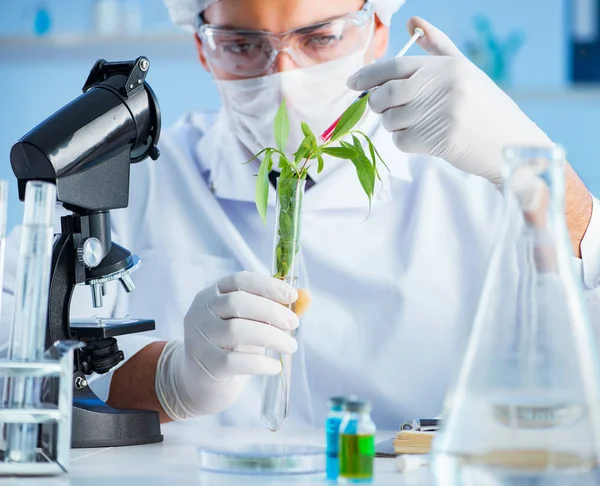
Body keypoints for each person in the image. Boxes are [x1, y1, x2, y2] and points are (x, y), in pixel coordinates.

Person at [2, 0, 599, 430]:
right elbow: (17, 356)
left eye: (321, 38)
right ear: (202, 48)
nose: (283, 79)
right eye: (242, 45)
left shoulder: (474, 185)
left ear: (378, 29)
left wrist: (541, 173)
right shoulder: (137, 185)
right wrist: (169, 382)